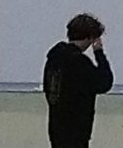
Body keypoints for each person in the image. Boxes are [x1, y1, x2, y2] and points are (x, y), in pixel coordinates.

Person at [44, 13, 115, 148]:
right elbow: (104, 83)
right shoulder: (79, 63)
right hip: (76, 130)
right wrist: (99, 53)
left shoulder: (53, 59)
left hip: (56, 127)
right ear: (90, 37)